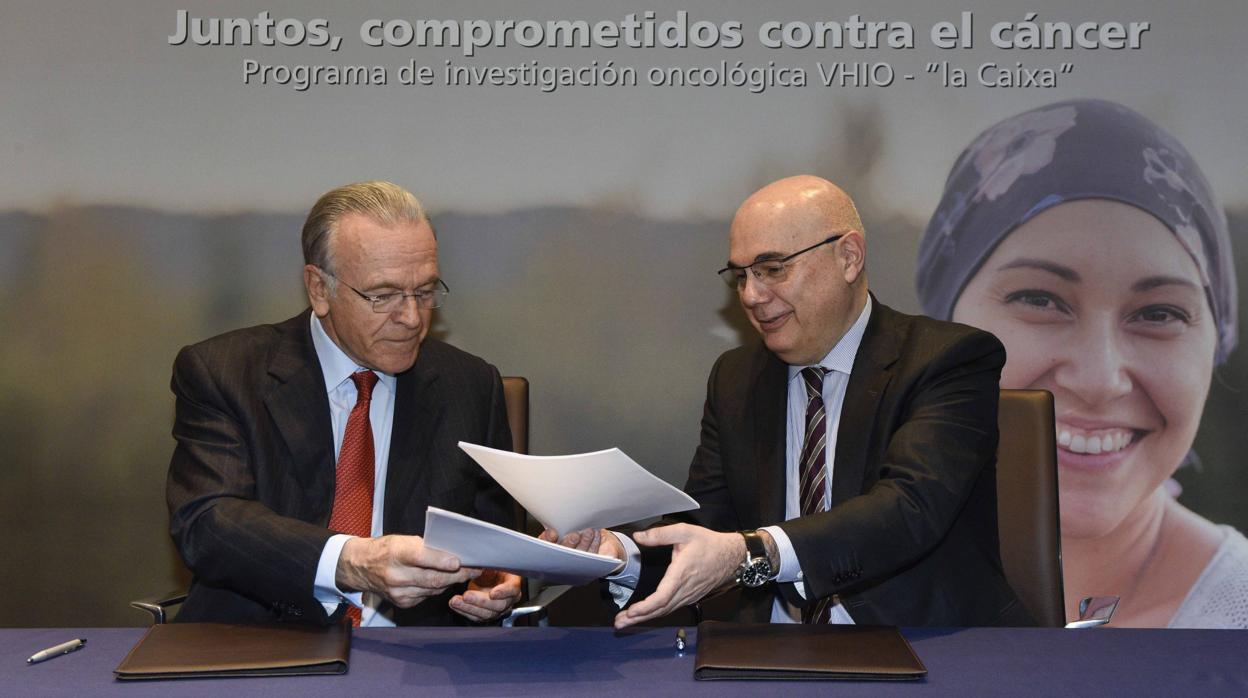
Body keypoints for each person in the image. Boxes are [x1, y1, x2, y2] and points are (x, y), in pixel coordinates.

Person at [554, 175, 1029, 628]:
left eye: (773, 269)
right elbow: (707, 527)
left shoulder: (948, 359)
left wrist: (754, 553)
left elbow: (908, 508)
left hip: (926, 651)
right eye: (740, 276)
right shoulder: (737, 378)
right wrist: (621, 554)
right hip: (771, 653)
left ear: (848, 257)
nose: (753, 295)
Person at [918, 99, 1246, 628]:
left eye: (1158, 312)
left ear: (1215, 343)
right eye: (1040, 300)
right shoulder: (811, 607)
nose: (1098, 379)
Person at [167, 181, 522, 626]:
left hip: (416, 664)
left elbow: (497, 543)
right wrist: (351, 560)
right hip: (257, 650)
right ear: (319, 288)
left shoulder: (469, 385)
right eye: (384, 295)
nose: (412, 318)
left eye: (425, 291)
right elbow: (209, 521)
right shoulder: (226, 373)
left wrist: (494, 582)